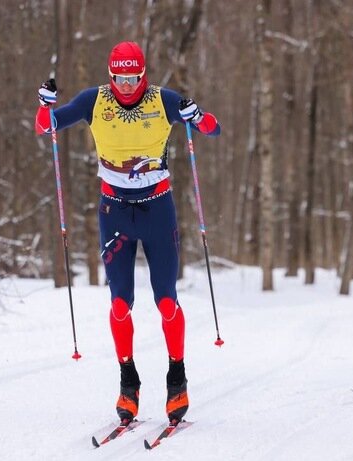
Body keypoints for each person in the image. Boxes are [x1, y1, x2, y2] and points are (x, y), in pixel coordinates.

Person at [35, 41, 220, 424]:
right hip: (114, 211)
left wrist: (197, 115)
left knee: (166, 300)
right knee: (120, 303)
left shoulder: (163, 100)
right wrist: (45, 104)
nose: (126, 85)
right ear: (110, 75)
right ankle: (128, 382)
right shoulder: (94, 100)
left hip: (158, 210)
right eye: (119, 78)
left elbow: (212, 129)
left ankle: (177, 377)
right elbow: (46, 126)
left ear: (143, 74)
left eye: (133, 77)